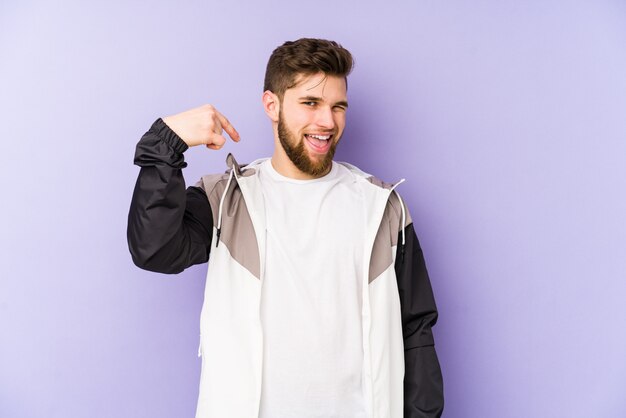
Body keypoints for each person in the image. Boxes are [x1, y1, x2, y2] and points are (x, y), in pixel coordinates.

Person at [127, 38, 443, 418]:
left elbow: (416, 330)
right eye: (310, 103)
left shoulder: (382, 207)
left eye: (337, 107)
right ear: (272, 105)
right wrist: (166, 144)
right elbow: (155, 249)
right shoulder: (227, 198)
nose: (327, 122)